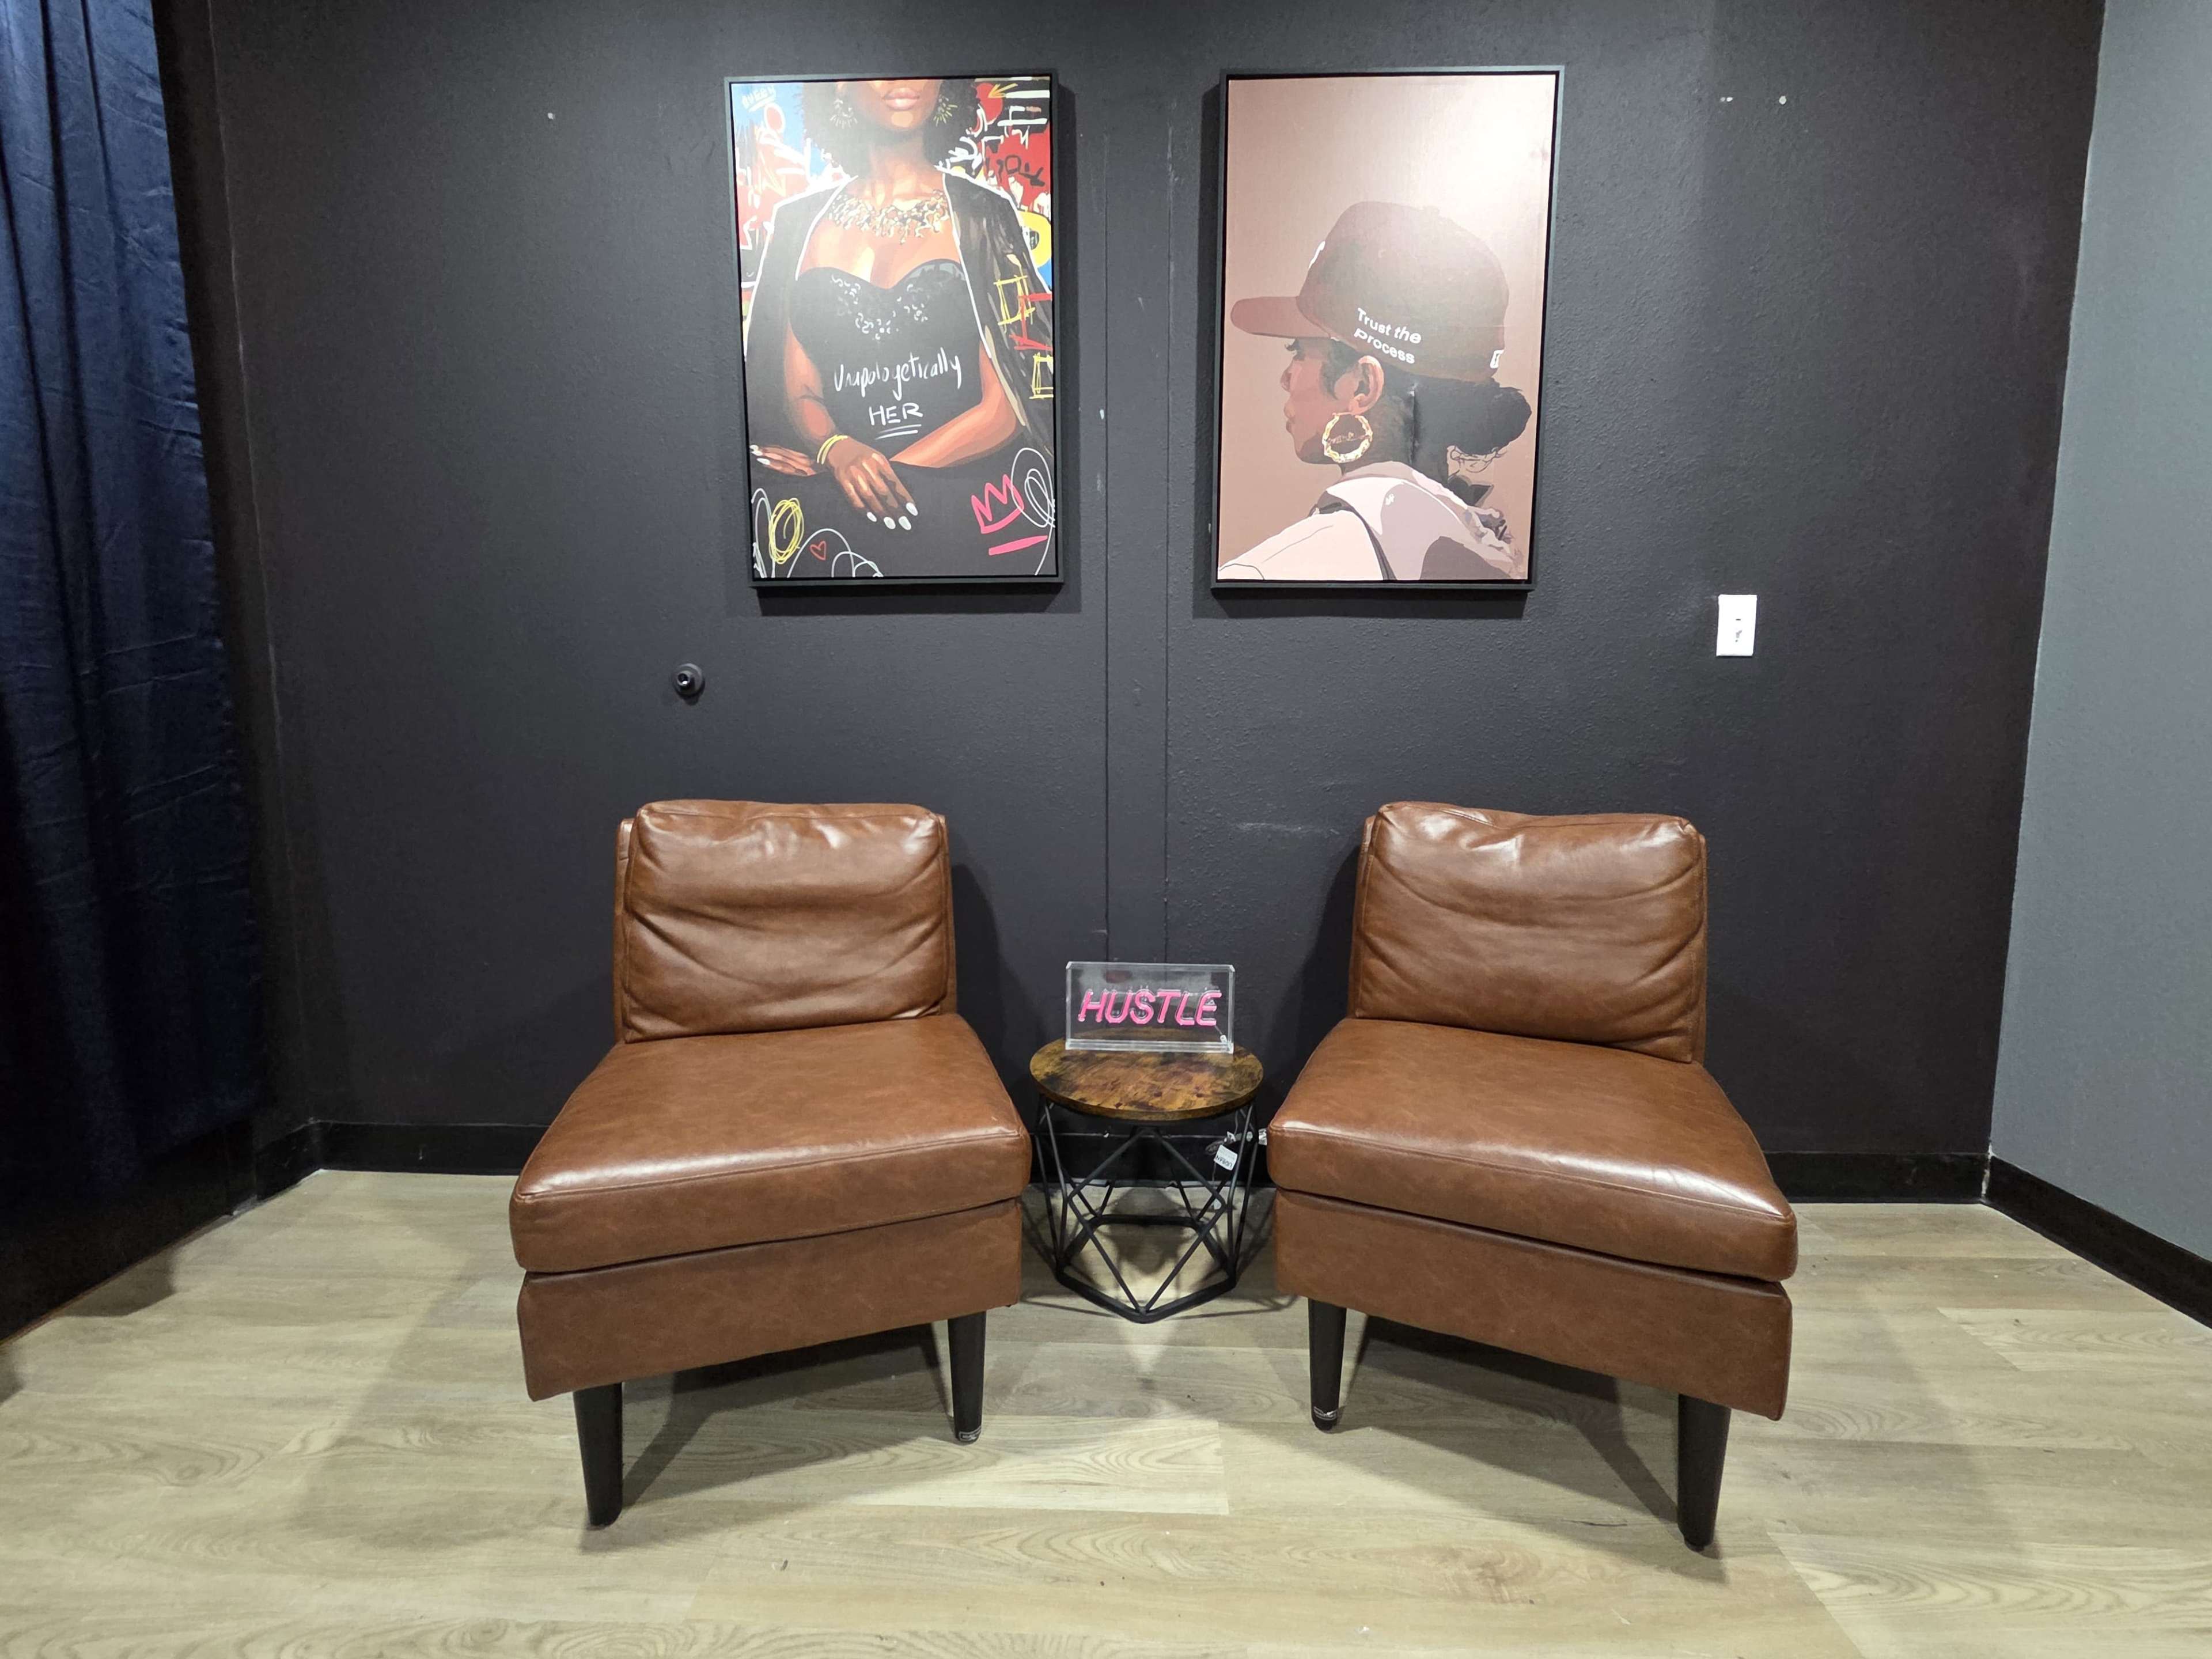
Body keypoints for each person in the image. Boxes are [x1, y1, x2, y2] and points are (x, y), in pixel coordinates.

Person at [743, 79, 1055, 578]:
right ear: (839, 89)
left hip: (971, 507)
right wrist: (837, 452)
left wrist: (874, 481)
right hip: (830, 503)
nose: (904, 84)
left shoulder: (982, 215)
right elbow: (795, 390)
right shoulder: (799, 224)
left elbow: (1008, 403)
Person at [1219, 201, 1533, 582]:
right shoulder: (1493, 557)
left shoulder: (1265, 577)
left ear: (1364, 386)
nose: (1287, 378)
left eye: (1299, 351)